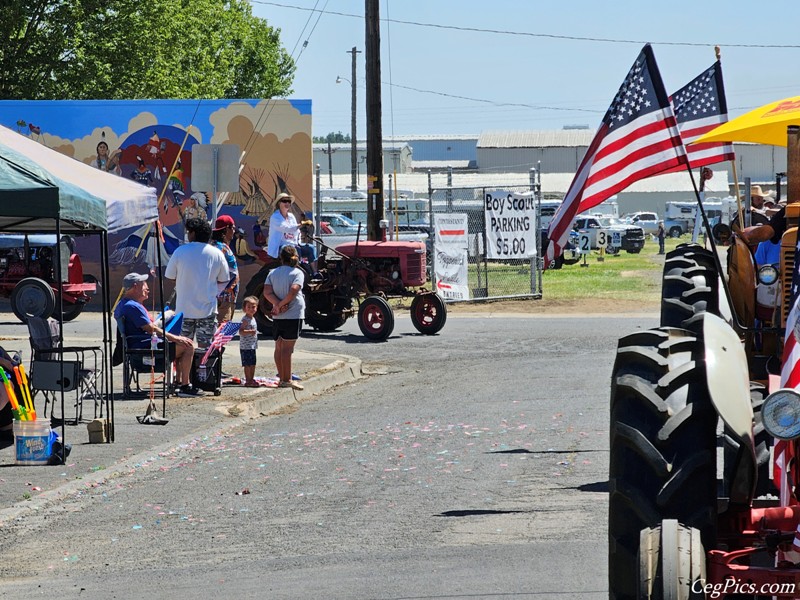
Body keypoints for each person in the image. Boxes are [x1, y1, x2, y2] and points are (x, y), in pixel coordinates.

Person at [113, 273, 199, 397]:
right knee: (188, 346)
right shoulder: (132, 306)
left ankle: (179, 382)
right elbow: (149, 328)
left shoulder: (126, 303)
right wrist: (175, 338)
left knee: (182, 343)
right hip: (145, 347)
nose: (147, 288)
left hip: (141, 343)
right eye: (144, 285)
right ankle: (185, 386)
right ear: (135, 286)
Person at [164, 218, 230, 350]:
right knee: (204, 349)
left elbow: (170, 276)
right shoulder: (217, 253)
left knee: (182, 347)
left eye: (189, 231)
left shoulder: (180, 251)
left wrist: (183, 281)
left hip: (184, 310)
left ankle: (184, 371)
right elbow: (224, 279)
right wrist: (214, 292)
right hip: (208, 309)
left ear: (193, 233)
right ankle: (201, 370)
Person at [263, 245, 305, 390]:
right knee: (288, 348)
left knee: (279, 346)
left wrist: (277, 305)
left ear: (280, 258)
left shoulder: (272, 273)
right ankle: (287, 379)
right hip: (293, 313)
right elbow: (294, 290)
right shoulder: (297, 273)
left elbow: (267, 292)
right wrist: (282, 304)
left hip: (278, 315)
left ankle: (282, 377)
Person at [266, 193, 318, 272]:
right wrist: (301, 224)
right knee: (295, 250)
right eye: (284, 201)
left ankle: (315, 273)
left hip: (293, 244)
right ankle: (298, 272)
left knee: (311, 248)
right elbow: (286, 228)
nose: (287, 203)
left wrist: (298, 242)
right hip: (280, 246)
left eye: (289, 201)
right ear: (279, 203)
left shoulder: (291, 216)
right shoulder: (275, 217)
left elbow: (296, 232)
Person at [211, 215, 239, 325]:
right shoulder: (222, 248)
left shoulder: (213, 246)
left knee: (215, 329)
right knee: (222, 330)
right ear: (227, 229)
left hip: (219, 295)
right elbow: (231, 272)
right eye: (233, 228)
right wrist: (228, 289)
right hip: (224, 297)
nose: (234, 231)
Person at [239, 296, 259, 387]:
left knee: (253, 363)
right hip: (245, 346)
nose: (251, 309)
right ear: (244, 308)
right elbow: (241, 332)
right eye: (249, 307)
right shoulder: (245, 320)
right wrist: (250, 332)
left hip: (252, 345)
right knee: (247, 364)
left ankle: (251, 378)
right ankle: (248, 380)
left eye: (253, 307)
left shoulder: (253, 318)